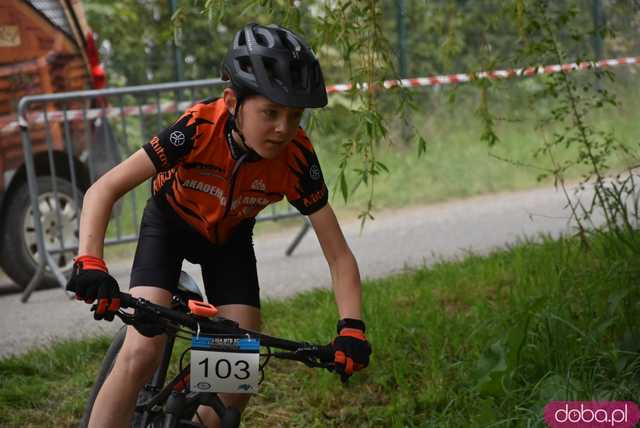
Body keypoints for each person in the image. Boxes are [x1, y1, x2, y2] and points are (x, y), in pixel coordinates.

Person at [66, 23, 371, 428]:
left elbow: (339, 255)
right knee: (142, 351)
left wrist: (351, 327)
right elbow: (103, 190)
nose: (284, 128)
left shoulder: (297, 159)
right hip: (169, 227)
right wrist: (91, 262)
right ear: (232, 102)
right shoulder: (196, 129)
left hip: (229, 239)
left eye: (295, 116)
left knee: (235, 373)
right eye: (270, 112)